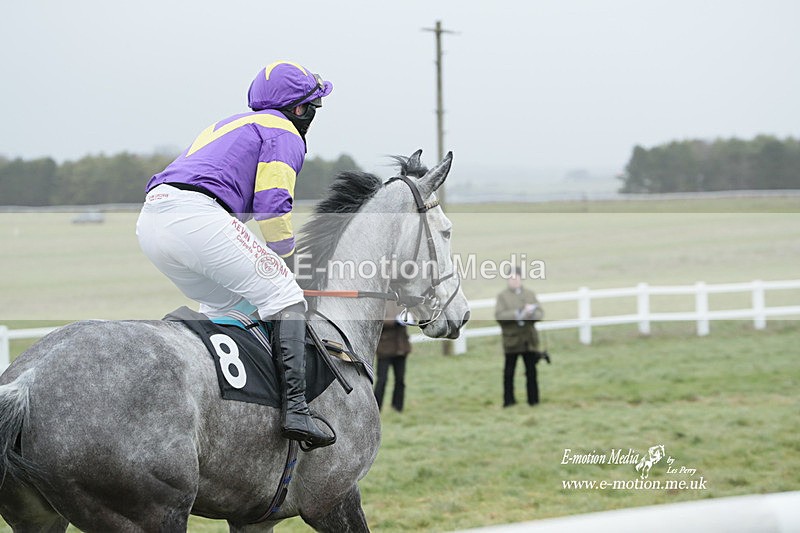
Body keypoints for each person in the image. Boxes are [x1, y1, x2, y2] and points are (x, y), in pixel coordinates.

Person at [136, 61, 335, 448]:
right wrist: (288, 262)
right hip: (196, 218)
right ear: (298, 109)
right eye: (313, 105)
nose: (314, 114)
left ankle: (231, 406)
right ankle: (296, 409)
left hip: (152, 223)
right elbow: (273, 204)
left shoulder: (229, 124)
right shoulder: (284, 132)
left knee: (232, 307)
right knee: (284, 295)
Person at [494, 267, 545, 407]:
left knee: (531, 372)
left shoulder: (530, 294)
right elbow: (499, 316)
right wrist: (518, 313)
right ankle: (509, 401)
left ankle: (533, 400)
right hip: (512, 340)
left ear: (521, 279)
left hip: (529, 340)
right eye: (511, 278)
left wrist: (531, 314)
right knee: (509, 372)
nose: (514, 281)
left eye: (516, 278)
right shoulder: (502, 296)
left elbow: (540, 313)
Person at [374, 301, 412, 412]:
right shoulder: (382, 301)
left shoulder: (403, 301)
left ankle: (397, 407)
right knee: (382, 380)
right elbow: (377, 320)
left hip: (401, 348)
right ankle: (376, 408)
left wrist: (409, 318)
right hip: (385, 349)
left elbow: (412, 314)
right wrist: (395, 321)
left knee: (400, 380)